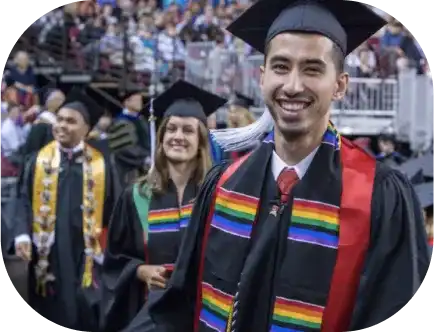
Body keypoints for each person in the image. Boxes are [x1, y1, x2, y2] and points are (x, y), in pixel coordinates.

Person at [132, 0, 430, 331]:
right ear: (262, 78)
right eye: (280, 67)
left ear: (340, 85)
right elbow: (183, 306)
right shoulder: (221, 186)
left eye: (312, 69)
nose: (292, 85)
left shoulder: (379, 195)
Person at [100, 80, 227, 332]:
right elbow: (114, 259)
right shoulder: (136, 196)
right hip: (152, 315)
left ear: (201, 140)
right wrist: (140, 271)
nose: (178, 137)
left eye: (188, 130)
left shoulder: (218, 194)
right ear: (161, 137)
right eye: (171, 129)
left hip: (205, 316)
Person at [9, 87, 120, 332]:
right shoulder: (37, 161)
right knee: (48, 306)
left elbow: (115, 210)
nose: (61, 126)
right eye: (59, 119)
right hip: (47, 252)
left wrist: (109, 246)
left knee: (84, 310)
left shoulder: (102, 165)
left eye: (71, 121)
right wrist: (22, 234)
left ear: (86, 129)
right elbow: (23, 200)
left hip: (87, 254)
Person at [107, 86, 151, 187]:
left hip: (144, 167)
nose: (140, 103)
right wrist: (145, 158)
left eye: (140, 100)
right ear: (127, 102)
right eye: (136, 100)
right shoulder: (121, 122)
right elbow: (124, 147)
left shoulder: (140, 119)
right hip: (128, 170)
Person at [224, 92, 258, 161]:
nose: (232, 115)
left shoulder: (255, 140)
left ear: (244, 114)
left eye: (236, 111)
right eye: (230, 111)